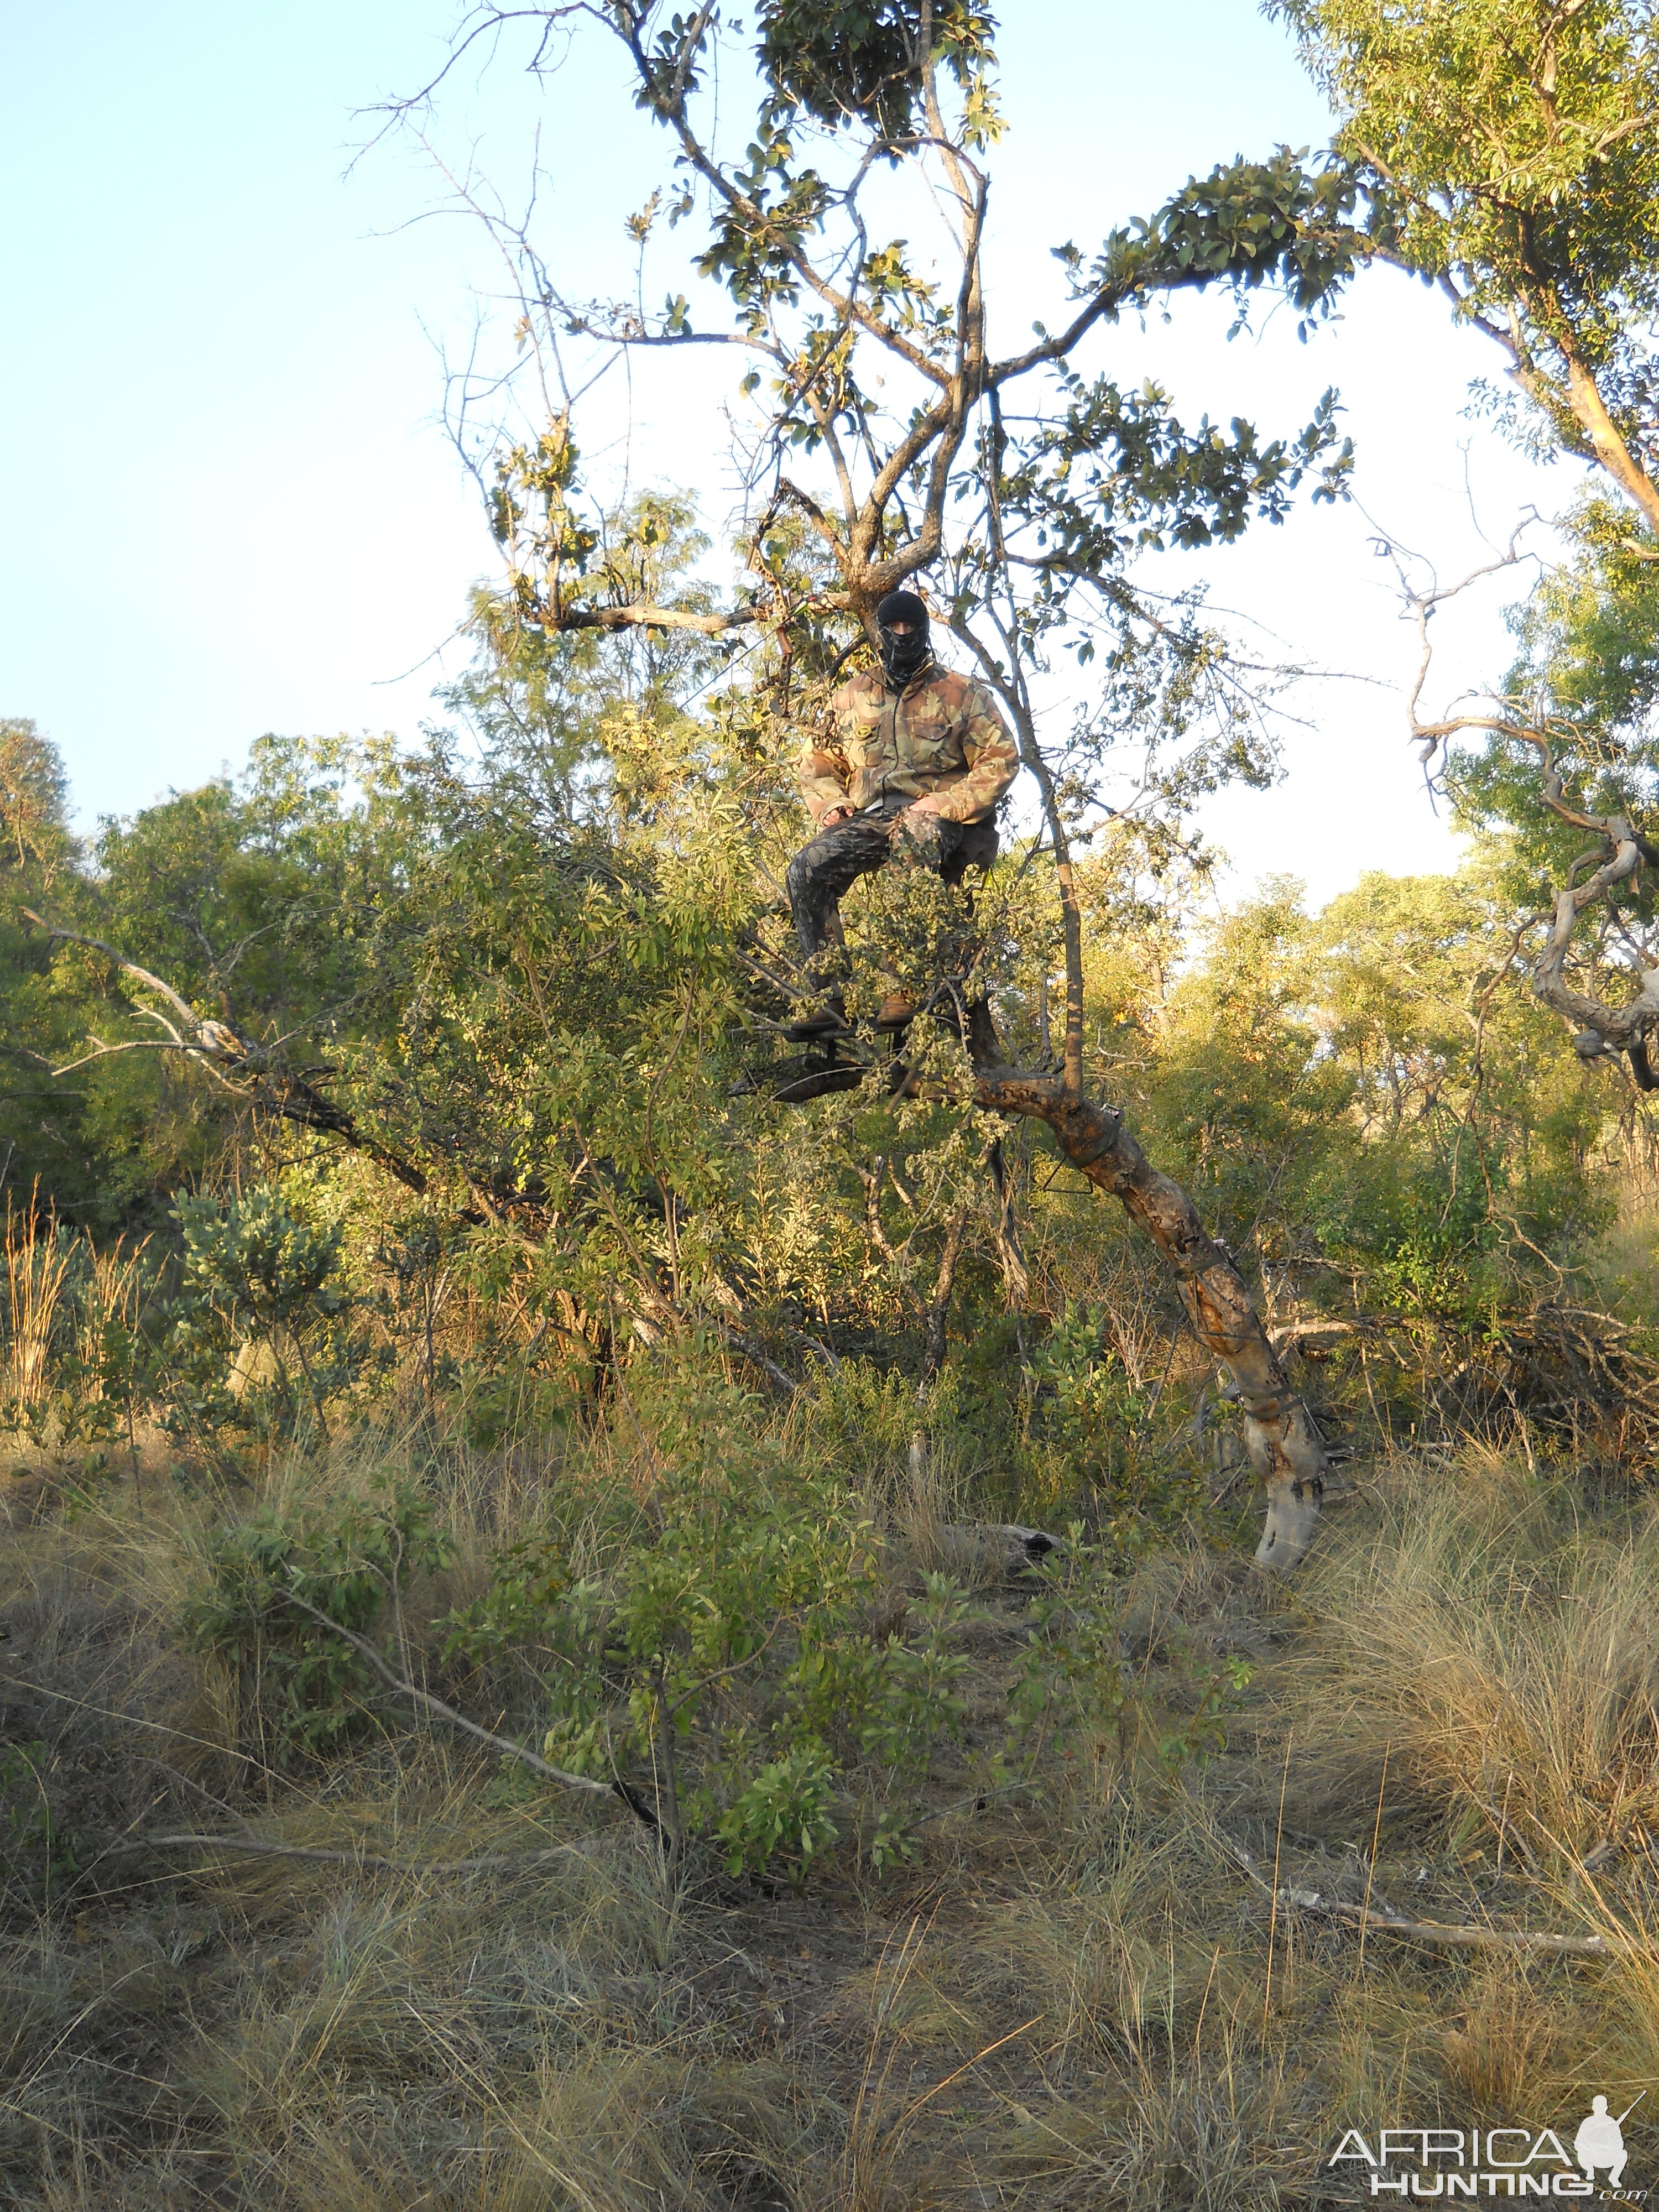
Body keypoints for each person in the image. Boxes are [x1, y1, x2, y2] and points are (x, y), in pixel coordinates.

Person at [784, 589, 1019, 1037]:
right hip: (871, 816)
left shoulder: (961, 691)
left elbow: (1002, 758)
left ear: (925, 631)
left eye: (912, 627)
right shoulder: (852, 695)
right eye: (894, 627)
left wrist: (949, 803)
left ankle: (902, 988)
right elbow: (817, 761)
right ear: (880, 632)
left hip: (936, 815)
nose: (903, 635)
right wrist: (833, 804)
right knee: (805, 868)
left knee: (912, 838)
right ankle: (829, 998)